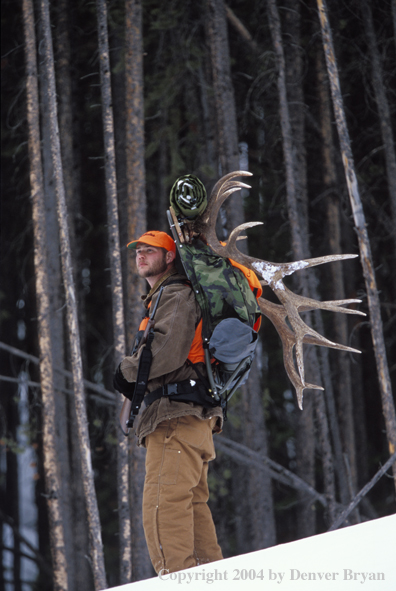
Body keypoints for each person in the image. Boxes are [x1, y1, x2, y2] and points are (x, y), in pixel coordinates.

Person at [113, 230, 224, 575]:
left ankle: (178, 581)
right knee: (191, 507)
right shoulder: (166, 297)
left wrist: (125, 371)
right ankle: (213, 580)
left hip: (176, 418)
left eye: (151, 250)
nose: (141, 255)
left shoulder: (176, 295)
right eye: (138, 251)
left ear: (170, 256)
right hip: (191, 419)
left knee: (162, 508)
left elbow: (165, 351)